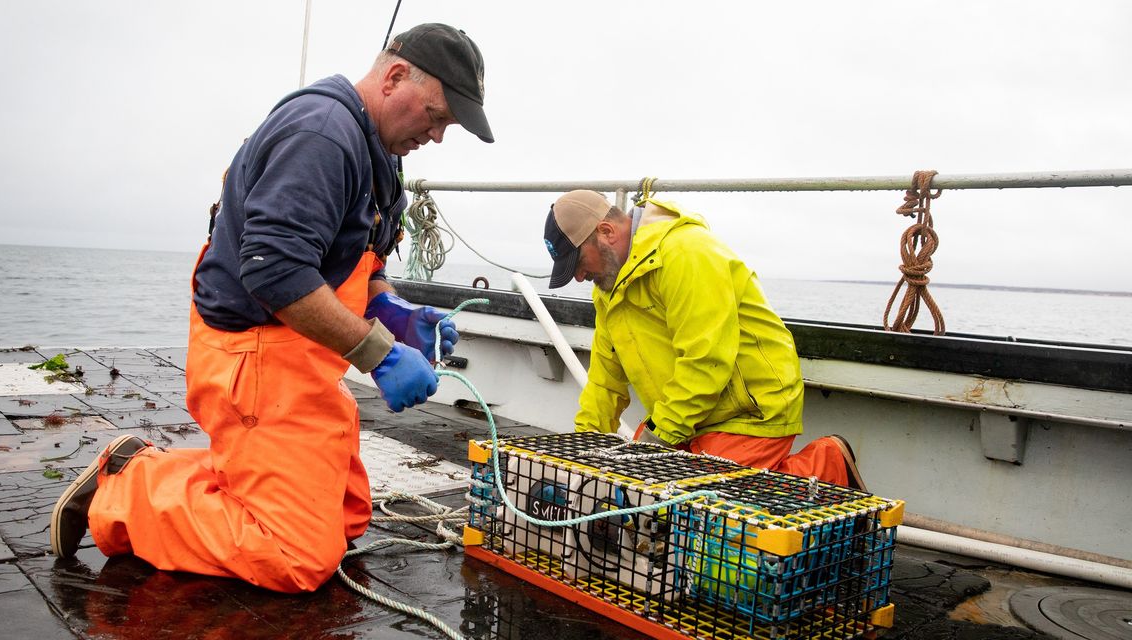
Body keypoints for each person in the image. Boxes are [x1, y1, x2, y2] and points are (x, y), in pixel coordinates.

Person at [49, 23, 494, 593]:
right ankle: (125, 486)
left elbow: (361, 259)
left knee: (347, 518)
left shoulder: (378, 149)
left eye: (445, 126)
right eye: (435, 115)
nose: (435, 136)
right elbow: (275, 270)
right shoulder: (323, 135)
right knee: (297, 553)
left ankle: (184, 471)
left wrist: (393, 309)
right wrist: (379, 353)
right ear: (394, 76)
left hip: (305, 350)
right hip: (253, 351)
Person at [541, 190, 866, 490]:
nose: (580, 277)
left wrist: (657, 439)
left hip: (749, 409)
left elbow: (706, 360)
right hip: (689, 416)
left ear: (606, 233)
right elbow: (604, 383)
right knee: (648, 497)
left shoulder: (686, 252)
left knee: (707, 511)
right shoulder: (608, 290)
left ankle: (828, 463)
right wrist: (581, 449)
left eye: (579, 263)